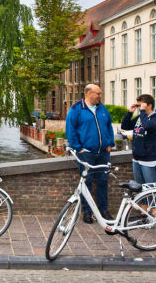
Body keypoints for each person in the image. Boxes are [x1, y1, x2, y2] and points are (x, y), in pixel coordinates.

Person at [65, 84, 115, 224]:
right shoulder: (76, 109)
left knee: (103, 181)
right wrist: (78, 148)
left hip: (103, 152)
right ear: (88, 93)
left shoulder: (102, 108)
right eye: (97, 93)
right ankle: (87, 212)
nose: (100, 95)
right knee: (86, 183)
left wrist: (110, 143)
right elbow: (70, 130)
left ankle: (103, 210)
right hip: (86, 153)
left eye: (100, 93)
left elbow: (108, 126)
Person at [121, 94, 156, 216]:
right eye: (139, 105)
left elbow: (148, 127)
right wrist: (130, 113)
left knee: (151, 187)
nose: (140, 108)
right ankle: (144, 210)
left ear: (149, 105)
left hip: (149, 158)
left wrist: (143, 112)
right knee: (141, 187)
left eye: (142, 105)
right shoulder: (141, 117)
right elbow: (125, 126)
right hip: (137, 158)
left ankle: (155, 211)